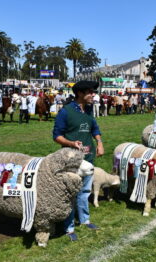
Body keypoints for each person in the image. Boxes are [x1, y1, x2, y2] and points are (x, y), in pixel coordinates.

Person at [53, 80, 104, 241]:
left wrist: (99, 143)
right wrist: (71, 143)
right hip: (71, 161)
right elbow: (56, 136)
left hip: (88, 159)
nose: (93, 95)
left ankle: (85, 220)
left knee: (84, 192)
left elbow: (94, 128)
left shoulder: (89, 110)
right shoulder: (66, 112)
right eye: (90, 92)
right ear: (80, 94)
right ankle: (68, 227)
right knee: (70, 194)